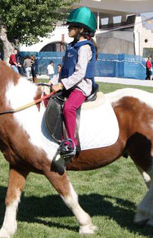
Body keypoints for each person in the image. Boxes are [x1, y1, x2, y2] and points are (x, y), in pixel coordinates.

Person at [49, 6, 97, 158]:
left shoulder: (85, 48)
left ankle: (71, 143)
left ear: (81, 29)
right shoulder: (71, 46)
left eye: (71, 26)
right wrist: (51, 83)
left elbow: (80, 73)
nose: (68, 29)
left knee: (69, 108)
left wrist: (62, 85)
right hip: (70, 84)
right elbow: (63, 70)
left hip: (81, 86)